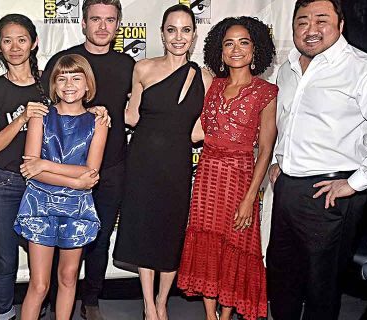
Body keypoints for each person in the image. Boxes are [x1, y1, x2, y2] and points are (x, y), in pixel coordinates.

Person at [266, 1, 367, 319]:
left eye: (321, 20)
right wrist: (279, 160)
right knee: (281, 277)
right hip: (288, 189)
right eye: (302, 21)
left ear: (341, 25)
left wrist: (356, 182)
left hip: (330, 192)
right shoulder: (287, 69)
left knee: (322, 288)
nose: (311, 28)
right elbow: (287, 120)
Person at [113, 4, 212, 320]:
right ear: (162, 33)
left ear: (194, 36)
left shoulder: (206, 78)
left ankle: (163, 300)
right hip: (142, 162)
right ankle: (148, 306)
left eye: (185, 30)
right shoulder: (143, 68)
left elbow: (199, 133)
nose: (178, 37)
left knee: (170, 235)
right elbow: (131, 116)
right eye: (172, 30)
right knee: (144, 231)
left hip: (177, 165)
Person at [176, 17, 277, 320]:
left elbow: (266, 150)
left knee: (235, 246)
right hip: (207, 176)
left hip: (240, 179)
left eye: (243, 42)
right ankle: (211, 315)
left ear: (255, 49)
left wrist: (250, 198)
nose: (236, 49)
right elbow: (194, 127)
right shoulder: (213, 85)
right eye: (228, 43)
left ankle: (227, 311)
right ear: (219, 52)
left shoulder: (266, 91)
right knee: (207, 245)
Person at [40, 1, 135, 318]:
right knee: (56, 237)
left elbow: (138, 111)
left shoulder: (128, 65)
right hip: (64, 169)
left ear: (118, 23)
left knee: (100, 236)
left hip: (111, 167)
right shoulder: (64, 62)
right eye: (96, 19)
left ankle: (90, 300)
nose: (103, 26)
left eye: (110, 20)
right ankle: (55, 301)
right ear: (83, 22)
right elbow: (47, 112)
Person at [16, 54, 108, 320]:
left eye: (76, 78)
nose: (69, 84)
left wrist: (45, 165)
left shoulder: (98, 121)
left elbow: (91, 173)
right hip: (39, 205)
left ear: (87, 84)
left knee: (68, 278)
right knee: (40, 284)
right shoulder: (41, 116)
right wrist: (75, 180)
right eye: (62, 78)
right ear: (54, 85)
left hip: (76, 207)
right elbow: (30, 170)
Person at [0, 14, 50, 320]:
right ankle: (4, 315)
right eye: (7, 40)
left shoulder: (50, 84)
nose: (15, 46)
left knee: (45, 262)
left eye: (22, 39)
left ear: (33, 43)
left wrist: (100, 112)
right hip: (5, 184)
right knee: (6, 260)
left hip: (44, 183)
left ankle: (40, 310)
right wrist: (22, 118)